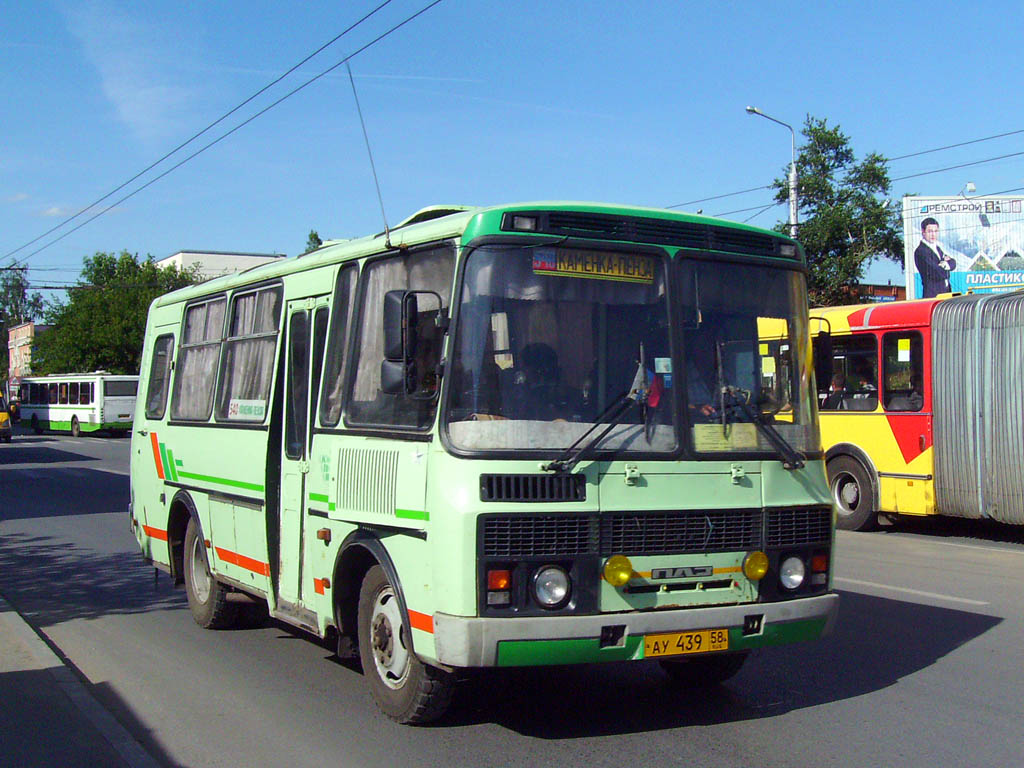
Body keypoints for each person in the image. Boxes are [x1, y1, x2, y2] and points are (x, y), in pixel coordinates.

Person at [914, 217, 956, 298]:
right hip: (933, 295)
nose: (933, 234)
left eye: (936, 231)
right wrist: (946, 267)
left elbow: (953, 262)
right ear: (923, 232)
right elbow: (936, 272)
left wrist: (945, 265)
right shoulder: (921, 251)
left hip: (946, 293)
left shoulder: (937, 248)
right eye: (930, 231)